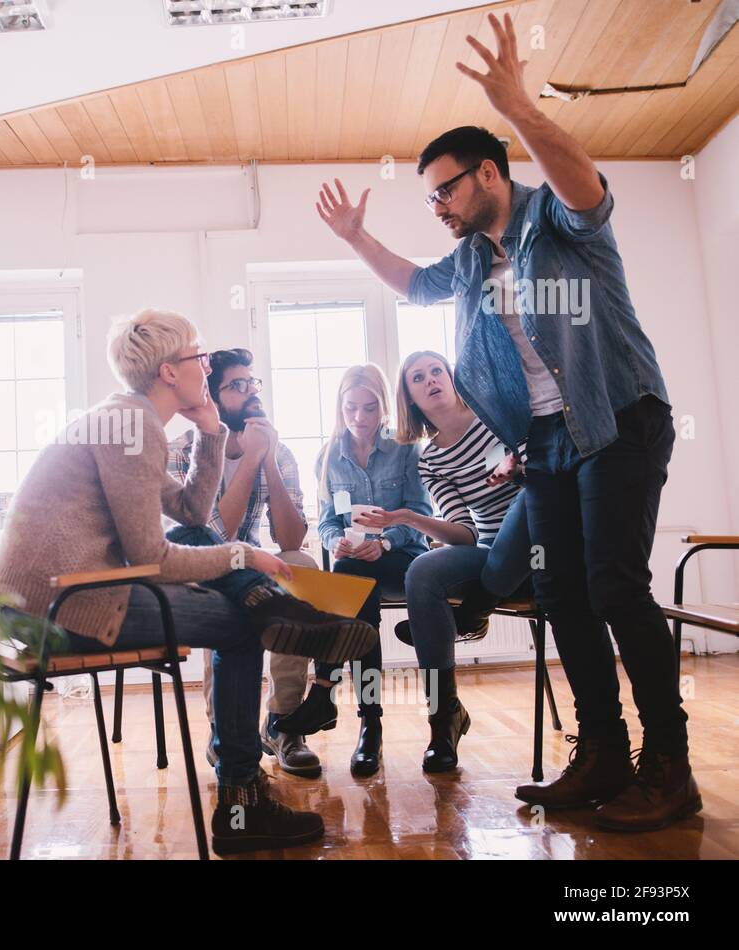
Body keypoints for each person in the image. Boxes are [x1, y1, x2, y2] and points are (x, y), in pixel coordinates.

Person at [315, 12, 696, 830]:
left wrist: (520, 106)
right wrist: (356, 239)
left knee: (615, 585)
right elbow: (415, 284)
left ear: (488, 174)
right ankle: (600, 752)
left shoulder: (554, 219)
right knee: (559, 589)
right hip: (549, 442)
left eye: (446, 189)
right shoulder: (469, 261)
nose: (438, 206)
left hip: (618, 416)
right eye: (429, 197)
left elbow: (590, 188)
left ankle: (669, 764)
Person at [0, 308, 378, 855]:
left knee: (236, 591)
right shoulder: (133, 424)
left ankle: (268, 609)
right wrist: (243, 556)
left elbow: (193, 511)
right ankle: (241, 801)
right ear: (171, 371)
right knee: (244, 627)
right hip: (62, 608)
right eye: (199, 354)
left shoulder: (126, 418)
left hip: (54, 601)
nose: (206, 363)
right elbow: (154, 555)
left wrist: (211, 431)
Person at [365, 350, 533, 771]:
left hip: (542, 549)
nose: (430, 380)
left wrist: (519, 465)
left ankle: (474, 612)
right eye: (418, 378)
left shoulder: (497, 415)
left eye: (436, 370)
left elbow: (549, 462)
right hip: (492, 558)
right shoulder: (432, 459)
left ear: (452, 377)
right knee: (422, 569)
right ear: (411, 398)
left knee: (529, 503)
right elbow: (464, 534)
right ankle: (444, 718)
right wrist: (407, 517)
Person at [167, 347, 322, 778]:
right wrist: (250, 458)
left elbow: (291, 538)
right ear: (212, 399)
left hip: (255, 561)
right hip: (199, 566)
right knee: (229, 584)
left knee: (303, 566)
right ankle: (227, 730)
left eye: (252, 382)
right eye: (237, 385)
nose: (251, 392)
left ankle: (284, 724)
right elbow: (210, 538)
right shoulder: (180, 452)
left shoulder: (278, 450)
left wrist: (267, 458)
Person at [274, 363, 433, 778]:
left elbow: (420, 514)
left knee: (350, 586)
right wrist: (334, 542)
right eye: (351, 409)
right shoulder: (329, 458)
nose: (360, 418)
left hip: (403, 559)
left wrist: (384, 543)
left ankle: (325, 693)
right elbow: (328, 521)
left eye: (369, 408)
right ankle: (370, 723)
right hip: (356, 564)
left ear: (383, 407)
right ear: (339, 408)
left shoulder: (405, 448)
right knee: (352, 582)